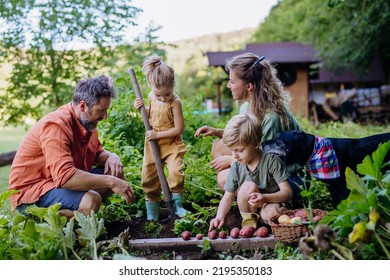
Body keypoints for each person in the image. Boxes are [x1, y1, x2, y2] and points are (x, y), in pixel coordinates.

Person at [9, 75, 135, 219]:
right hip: (33, 193)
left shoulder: (87, 123)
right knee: (91, 200)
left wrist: (112, 156)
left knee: (115, 171)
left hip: (57, 184)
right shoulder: (56, 126)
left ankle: (79, 217)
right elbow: (66, 177)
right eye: (101, 110)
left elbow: (96, 154)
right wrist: (111, 182)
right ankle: (44, 223)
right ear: (82, 106)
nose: (105, 116)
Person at [194, 53, 302, 193]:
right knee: (218, 145)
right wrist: (216, 131)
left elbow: (269, 160)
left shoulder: (271, 117)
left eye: (232, 81)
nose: (228, 85)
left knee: (224, 178)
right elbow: (244, 137)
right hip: (263, 163)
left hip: (289, 178)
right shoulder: (246, 107)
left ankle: (255, 196)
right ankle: (245, 188)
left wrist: (232, 161)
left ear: (249, 86)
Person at [209, 112, 293, 230]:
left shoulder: (272, 161)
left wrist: (265, 198)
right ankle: (250, 222)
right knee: (247, 186)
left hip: (271, 202)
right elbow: (228, 196)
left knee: (269, 213)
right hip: (251, 207)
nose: (235, 155)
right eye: (232, 151)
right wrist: (219, 216)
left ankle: (275, 217)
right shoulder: (237, 166)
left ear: (255, 143)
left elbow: (287, 192)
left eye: (239, 150)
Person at [134, 55, 188, 221]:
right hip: (152, 144)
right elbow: (149, 116)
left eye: (167, 94)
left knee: (175, 171)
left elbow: (179, 128)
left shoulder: (175, 102)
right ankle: (152, 210)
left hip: (171, 143)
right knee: (149, 176)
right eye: (159, 96)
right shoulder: (150, 97)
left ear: (173, 86)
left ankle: (177, 205)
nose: (163, 98)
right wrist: (140, 109)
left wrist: (158, 134)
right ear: (150, 86)